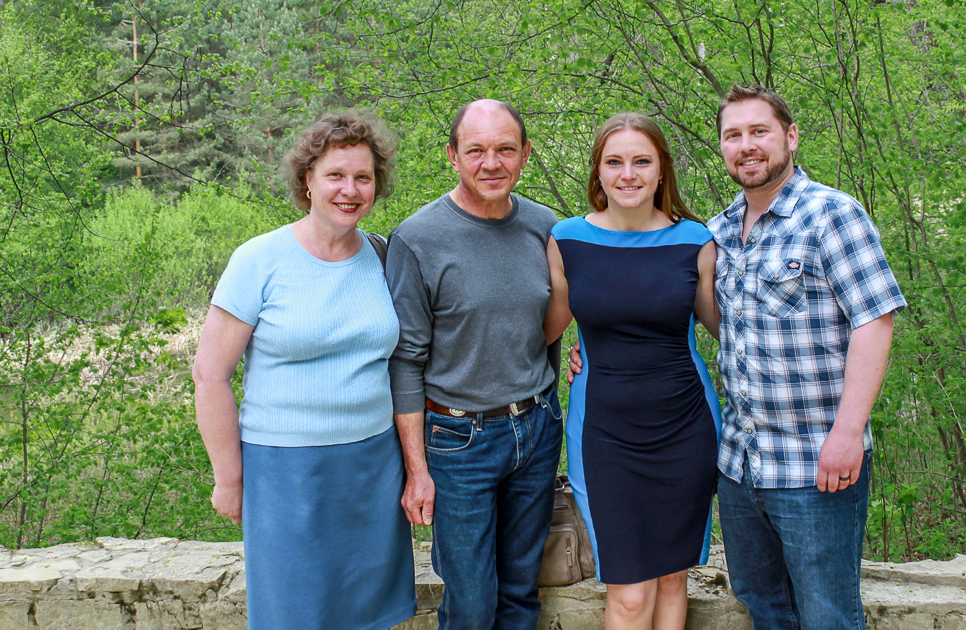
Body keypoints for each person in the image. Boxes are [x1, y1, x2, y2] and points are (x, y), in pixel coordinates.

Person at [191, 112, 417, 630]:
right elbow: (209, 376)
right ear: (307, 181)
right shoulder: (259, 260)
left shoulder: (385, 257)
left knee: (369, 615)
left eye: (363, 177)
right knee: (293, 615)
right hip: (284, 474)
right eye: (335, 175)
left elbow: (419, 354)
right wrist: (229, 479)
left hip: (373, 468)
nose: (350, 189)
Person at [709, 85, 906, 629]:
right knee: (763, 605)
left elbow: (875, 321)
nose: (746, 145)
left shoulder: (831, 215)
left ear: (790, 137)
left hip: (816, 466)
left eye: (758, 132)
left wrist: (848, 433)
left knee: (827, 616)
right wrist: (592, 347)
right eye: (733, 135)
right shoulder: (720, 232)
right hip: (740, 466)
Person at [386, 98, 563, 629]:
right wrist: (417, 471)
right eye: (477, 150)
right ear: (453, 156)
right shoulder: (417, 239)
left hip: (536, 429)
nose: (492, 163)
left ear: (525, 155)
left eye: (506, 149)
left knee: (521, 593)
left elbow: (551, 324)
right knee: (471, 603)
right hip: (457, 441)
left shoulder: (544, 225)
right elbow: (405, 363)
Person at [544, 113, 721, 630]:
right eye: (614, 162)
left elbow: (730, 335)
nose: (628, 174)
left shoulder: (696, 241)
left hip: (686, 429)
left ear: (661, 170)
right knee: (627, 591)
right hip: (604, 435)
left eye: (642, 161)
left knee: (672, 577)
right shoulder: (567, 240)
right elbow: (545, 332)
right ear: (597, 172)